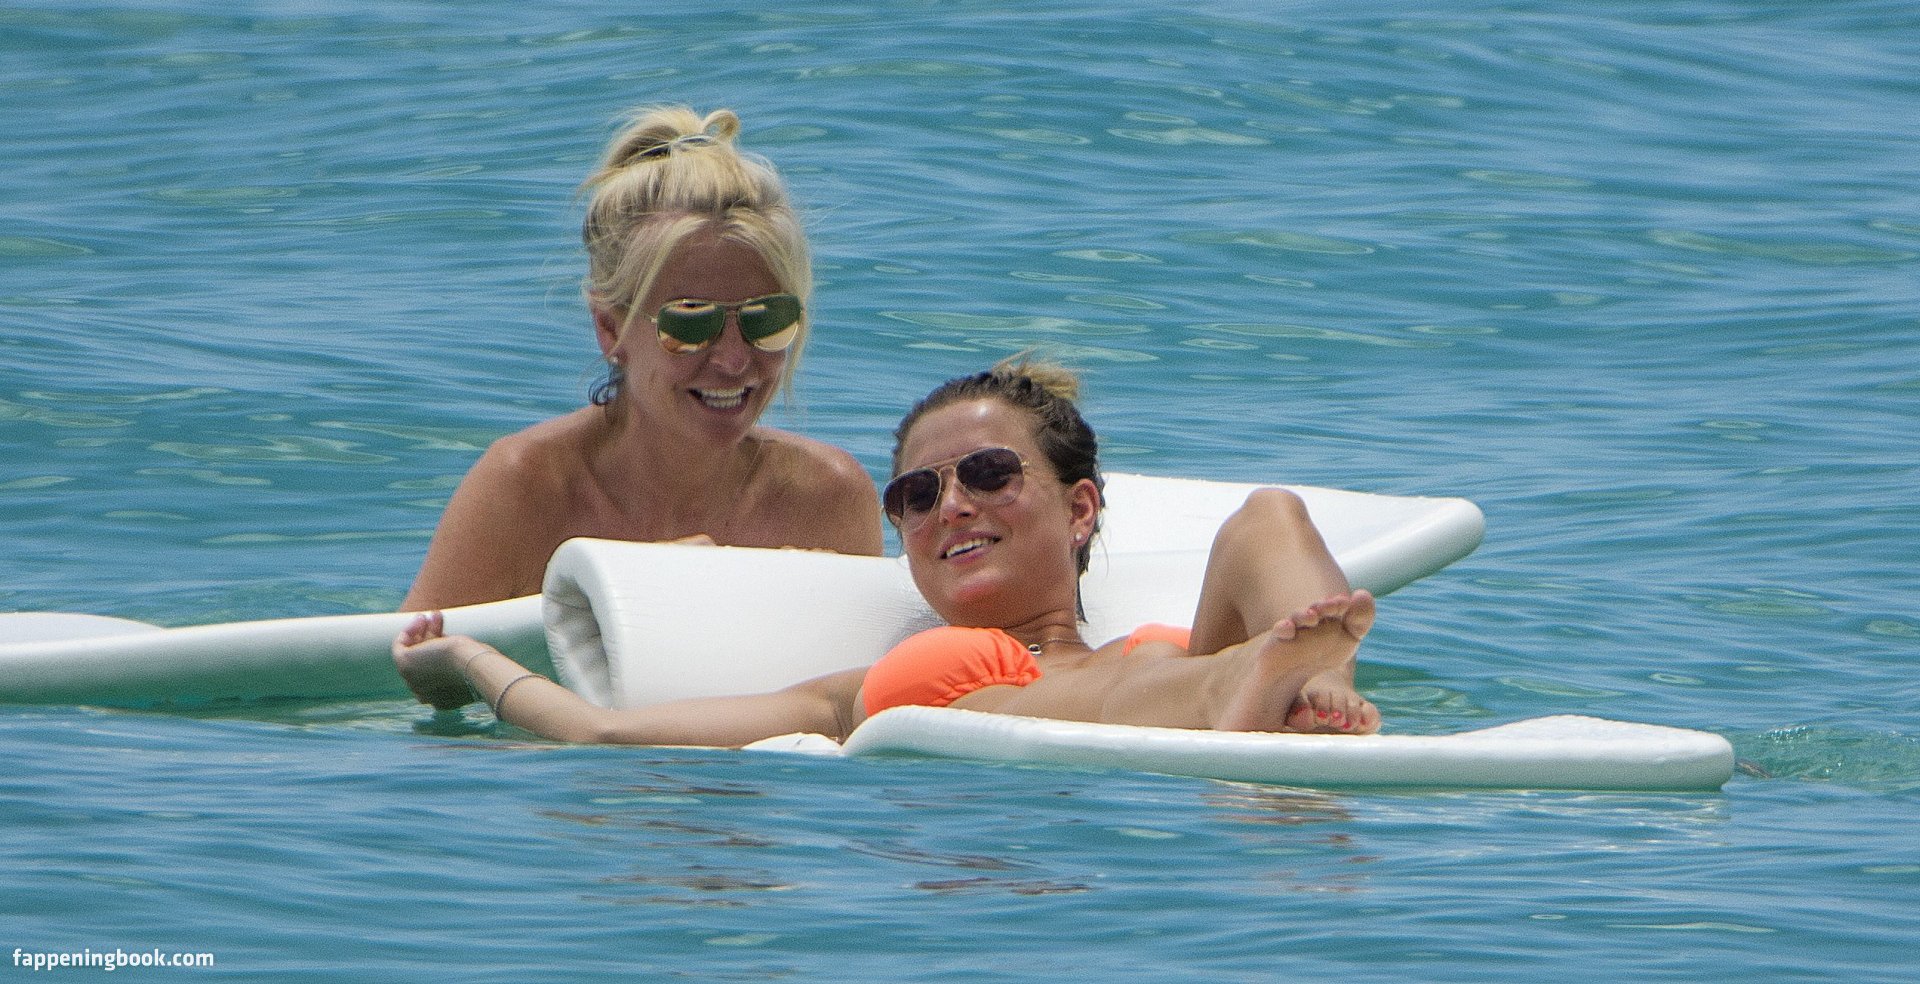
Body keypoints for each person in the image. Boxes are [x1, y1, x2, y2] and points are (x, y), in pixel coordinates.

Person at [393, 356, 1381, 743]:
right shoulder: (862, 688)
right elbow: (604, 735)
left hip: (1193, 696)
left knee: (1270, 514)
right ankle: (1270, 693)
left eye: (987, 474)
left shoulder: (1145, 642)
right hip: (1122, 734)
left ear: (1081, 510)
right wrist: (471, 660)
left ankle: (1300, 684)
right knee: (1181, 677)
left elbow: (1266, 538)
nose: (950, 507)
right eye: (916, 495)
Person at [401, 105, 882, 611]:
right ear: (609, 328)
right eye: (690, 322)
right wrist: (636, 588)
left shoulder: (827, 498)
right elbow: (408, 655)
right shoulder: (524, 490)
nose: (734, 360)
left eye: (767, 320)